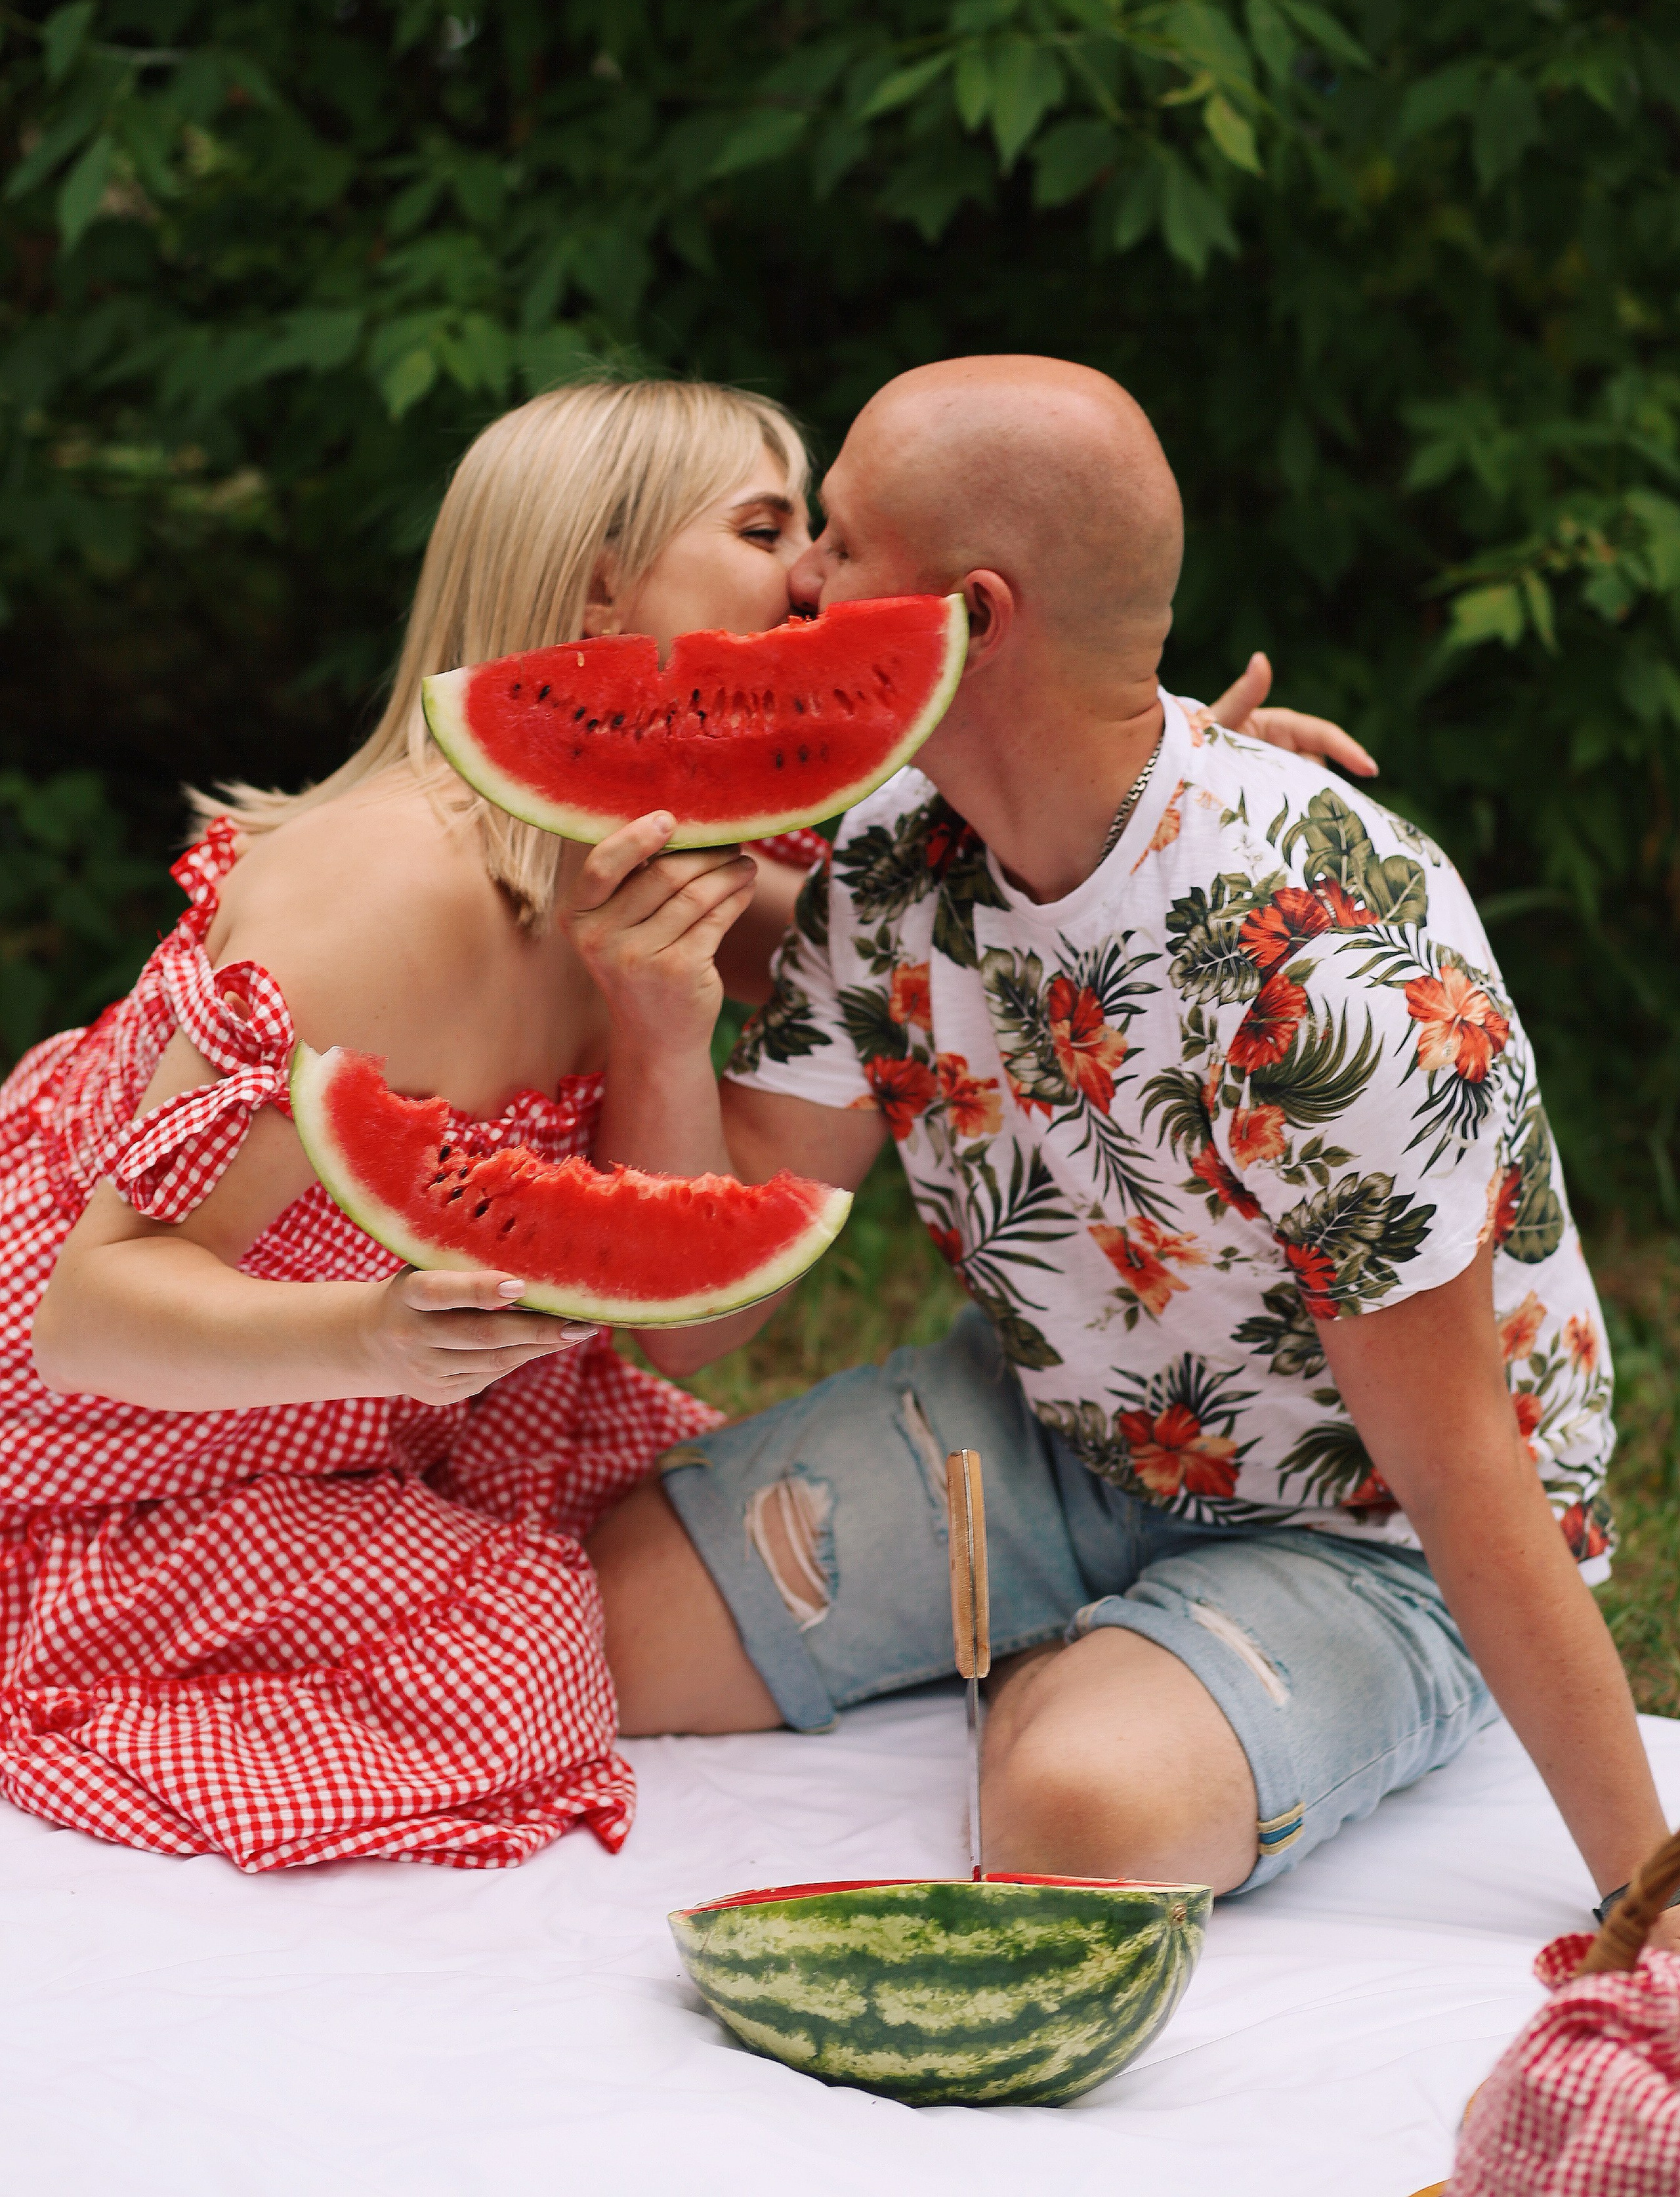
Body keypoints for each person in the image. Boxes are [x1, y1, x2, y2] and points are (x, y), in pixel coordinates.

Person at [3, 370, 1335, 1872]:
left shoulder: (695, 862)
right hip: (141, 1430)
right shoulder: (378, 900)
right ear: (596, 581)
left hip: (426, 1389)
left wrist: (1145, 795)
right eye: (766, 525)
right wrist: (371, 1337)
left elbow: (965, 934)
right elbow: (84, 1316)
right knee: (517, 1661)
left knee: (682, 1559)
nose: (816, 577)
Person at [578, 354, 1677, 1948]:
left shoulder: (1325, 971)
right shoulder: (890, 855)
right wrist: (657, 1026)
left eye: (840, 542)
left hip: (1366, 1531)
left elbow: (1455, 1467)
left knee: (1078, 1812)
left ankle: (1077, 1677)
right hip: (1061, 1436)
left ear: (969, 614)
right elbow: (699, 1315)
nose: (799, 581)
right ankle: (1081, 1645)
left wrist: (1645, 1896)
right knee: (594, 1634)